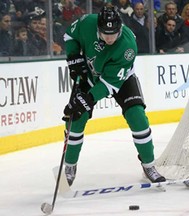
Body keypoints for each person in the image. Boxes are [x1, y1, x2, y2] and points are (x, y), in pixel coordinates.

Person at [62, 4, 166, 186]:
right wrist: (73, 56)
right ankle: (70, 166)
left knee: (137, 117)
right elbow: (70, 35)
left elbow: (109, 84)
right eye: (105, 34)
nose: (109, 38)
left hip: (121, 79)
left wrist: (87, 99)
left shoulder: (128, 46)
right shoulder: (87, 23)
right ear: (98, 29)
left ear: (120, 28)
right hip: (89, 74)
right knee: (76, 118)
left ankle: (149, 164)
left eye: (113, 34)